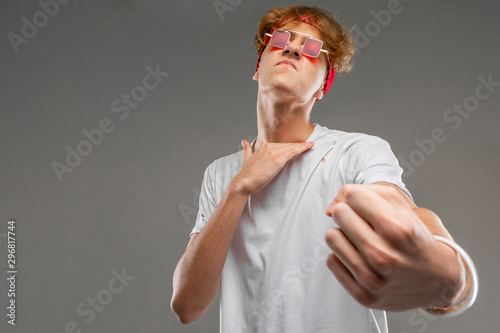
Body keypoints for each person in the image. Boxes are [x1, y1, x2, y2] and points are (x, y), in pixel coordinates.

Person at [171, 5, 476, 332]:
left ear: (321, 88)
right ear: (257, 69)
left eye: (312, 48)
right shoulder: (220, 175)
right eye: (281, 39)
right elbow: (187, 305)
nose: (292, 48)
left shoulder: (355, 152)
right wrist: (238, 188)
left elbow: (404, 209)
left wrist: (450, 272)